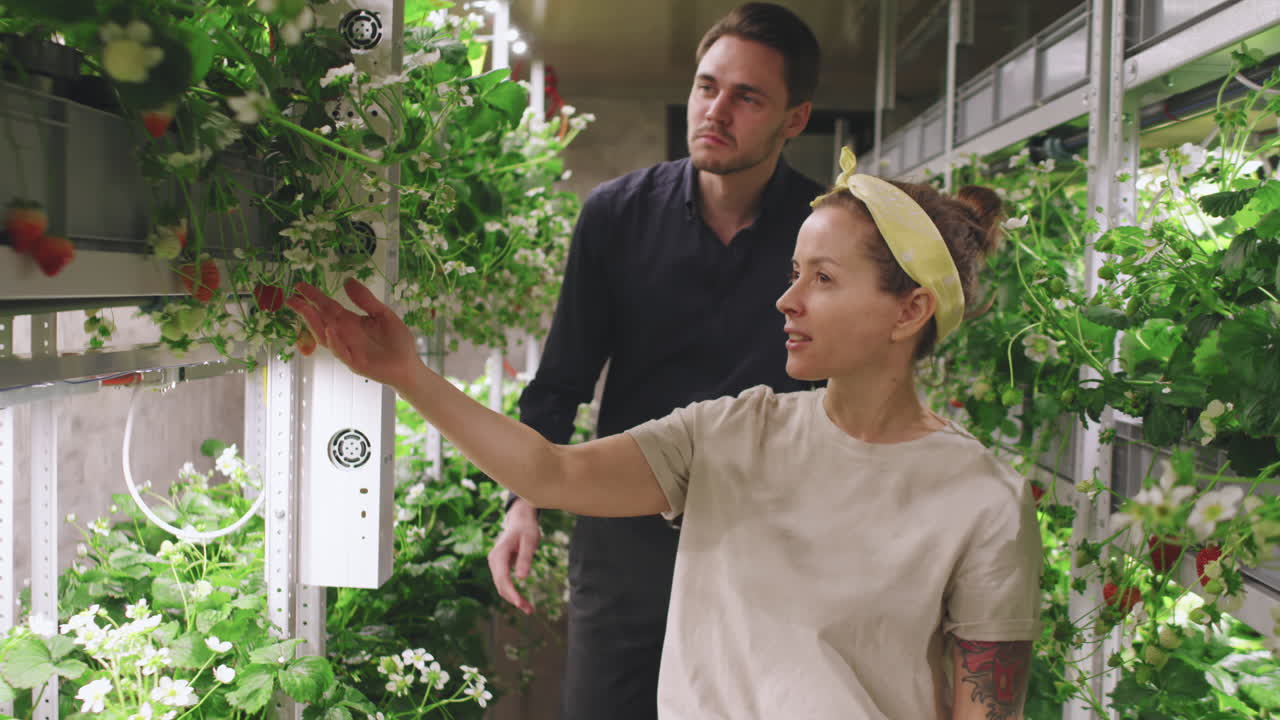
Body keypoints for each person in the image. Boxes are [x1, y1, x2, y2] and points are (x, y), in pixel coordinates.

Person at [285, 147, 1044, 719]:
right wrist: (410, 376)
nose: (786, 300)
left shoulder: (980, 502)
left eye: (823, 278)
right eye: (793, 271)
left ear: (908, 312)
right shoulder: (733, 432)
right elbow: (551, 473)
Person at [489, 3, 824, 718]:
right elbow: (565, 375)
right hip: (625, 535)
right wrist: (523, 500)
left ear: (794, 119)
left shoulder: (828, 231)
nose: (716, 109)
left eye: (747, 96)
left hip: (770, 540)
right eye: (708, 87)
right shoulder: (615, 215)